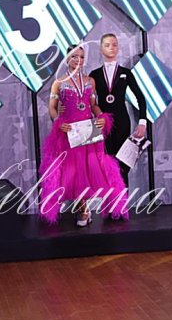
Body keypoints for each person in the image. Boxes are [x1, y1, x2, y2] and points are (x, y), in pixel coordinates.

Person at [38, 45, 127, 227]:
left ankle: (100, 208)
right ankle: (83, 210)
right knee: (73, 172)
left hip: (88, 131)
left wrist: (101, 117)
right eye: (74, 56)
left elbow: (93, 105)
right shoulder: (59, 83)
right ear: (67, 59)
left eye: (81, 57)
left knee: (92, 169)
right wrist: (58, 121)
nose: (78, 60)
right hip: (70, 132)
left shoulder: (90, 81)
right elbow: (52, 108)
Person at [89, 33, 147, 185]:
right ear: (101, 49)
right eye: (107, 45)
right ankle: (109, 197)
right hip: (102, 124)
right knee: (105, 162)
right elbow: (89, 101)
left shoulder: (125, 73)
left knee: (122, 163)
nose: (111, 48)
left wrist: (142, 122)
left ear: (118, 48)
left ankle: (123, 198)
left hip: (122, 122)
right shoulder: (94, 75)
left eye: (114, 45)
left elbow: (141, 98)